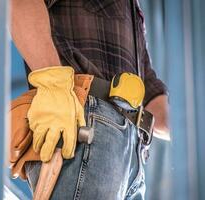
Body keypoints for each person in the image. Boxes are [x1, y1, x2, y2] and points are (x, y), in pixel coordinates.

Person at [10, 0, 170, 199]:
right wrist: (54, 86)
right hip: (83, 122)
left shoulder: (134, 11)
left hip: (133, 151)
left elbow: (153, 96)